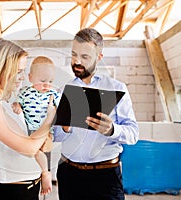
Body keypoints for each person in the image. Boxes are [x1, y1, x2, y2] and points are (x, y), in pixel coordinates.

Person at [53, 28, 139, 200]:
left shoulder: (117, 88)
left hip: (105, 177)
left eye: (85, 57)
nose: (77, 61)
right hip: (69, 174)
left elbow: (133, 134)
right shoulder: (64, 90)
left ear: (99, 57)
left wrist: (112, 130)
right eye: (74, 54)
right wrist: (65, 128)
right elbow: (55, 137)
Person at [0, 38, 55, 200]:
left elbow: (35, 146)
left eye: (23, 71)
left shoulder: (5, 105)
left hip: (27, 190)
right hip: (10, 193)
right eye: (18, 71)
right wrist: (49, 118)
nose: (22, 77)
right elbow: (28, 148)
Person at [12, 56, 61, 195]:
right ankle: (40, 176)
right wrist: (17, 105)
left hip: (45, 132)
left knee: (40, 151)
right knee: (32, 154)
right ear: (30, 77)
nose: (47, 85)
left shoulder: (53, 94)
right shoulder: (25, 93)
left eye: (50, 81)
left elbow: (62, 110)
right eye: (43, 81)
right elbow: (17, 103)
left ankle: (46, 173)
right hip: (28, 131)